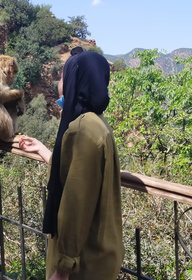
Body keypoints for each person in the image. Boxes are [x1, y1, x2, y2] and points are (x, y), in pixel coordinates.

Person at [19, 49, 124, 280]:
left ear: (77, 80)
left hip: (83, 262)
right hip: (100, 253)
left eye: (64, 77)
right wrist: (46, 152)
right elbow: (79, 173)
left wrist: (63, 268)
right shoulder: (97, 123)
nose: (59, 83)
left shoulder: (82, 129)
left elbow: (76, 201)